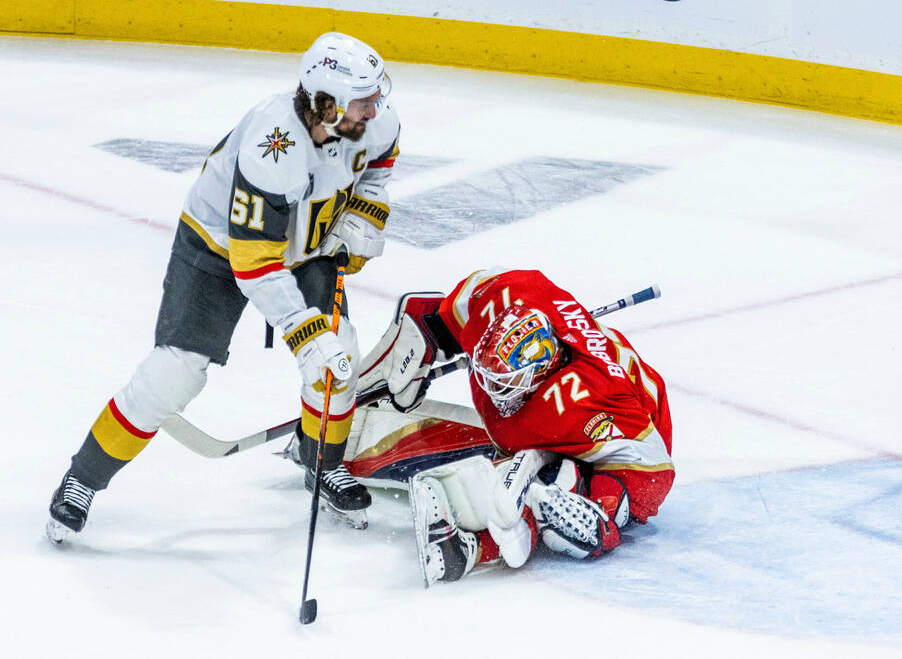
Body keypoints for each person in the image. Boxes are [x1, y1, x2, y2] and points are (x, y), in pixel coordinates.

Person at [47, 32, 401, 543]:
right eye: (364, 100)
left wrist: (365, 215)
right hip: (217, 248)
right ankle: (83, 477)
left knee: (337, 358)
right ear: (328, 104)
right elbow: (254, 261)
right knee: (173, 375)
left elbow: (378, 170)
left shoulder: (377, 123)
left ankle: (321, 462)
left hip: (306, 249)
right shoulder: (272, 142)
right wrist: (305, 334)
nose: (377, 109)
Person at [358, 268, 674, 582]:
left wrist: (601, 517)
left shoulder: (581, 404)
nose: (495, 395)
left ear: (537, 375)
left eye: (505, 385)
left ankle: (471, 549)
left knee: (557, 498)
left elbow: (655, 470)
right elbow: (482, 287)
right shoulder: (518, 295)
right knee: (523, 466)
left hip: (631, 433)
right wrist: (433, 335)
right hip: (593, 400)